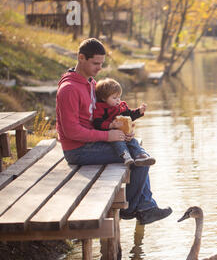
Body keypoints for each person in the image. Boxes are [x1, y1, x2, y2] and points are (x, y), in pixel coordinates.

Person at [55, 38, 172, 224]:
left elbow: (104, 114)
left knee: (140, 154)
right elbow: (71, 131)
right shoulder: (69, 89)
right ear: (81, 57)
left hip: (92, 142)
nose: (99, 68)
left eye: (101, 64)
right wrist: (108, 136)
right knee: (139, 160)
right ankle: (132, 208)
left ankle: (145, 207)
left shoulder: (91, 84)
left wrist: (122, 128)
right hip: (78, 150)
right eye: (95, 63)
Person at [93, 77, 155, 167]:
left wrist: (139, 111)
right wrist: (111, 125)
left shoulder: (121, 106)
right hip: (111, 136)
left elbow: (129, 115)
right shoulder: (101, 109)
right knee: (118, 143)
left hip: (124, 134)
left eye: (119, 97)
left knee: (133, 141)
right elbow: (97, 123)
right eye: (114, 98)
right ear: (103, 98)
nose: (118, 100)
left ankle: (140, 155)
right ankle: (126, 157)